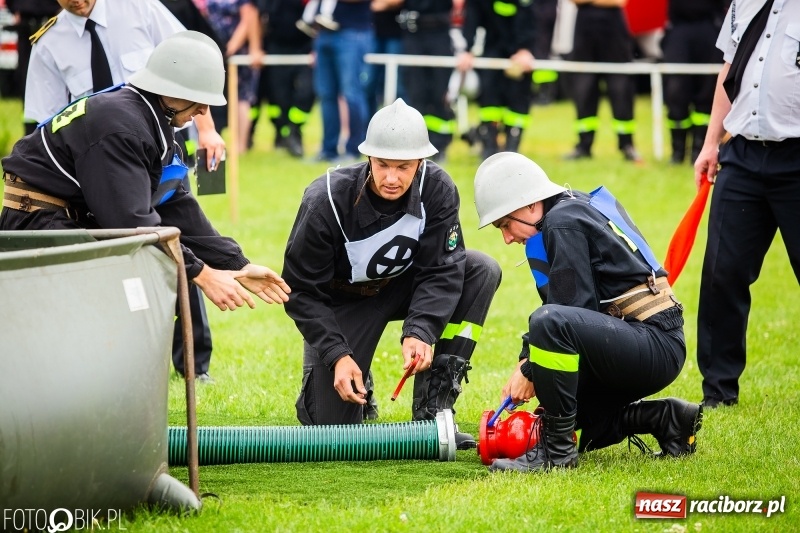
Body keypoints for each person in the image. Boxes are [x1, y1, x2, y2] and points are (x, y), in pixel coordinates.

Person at [1, 32, 291, 343]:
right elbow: (130, 223)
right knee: (84, 326)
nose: (204, 111)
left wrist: (237, 264)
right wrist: (201, 273)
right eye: (200, 99)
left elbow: (175, 204)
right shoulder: (121, 128)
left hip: (66, 219)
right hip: (40, 222)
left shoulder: (150, 120)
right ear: (173, 91)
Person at [23, 0, 227, 382]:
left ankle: (194, 364)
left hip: (158, 143)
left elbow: (193, 66)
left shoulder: (140, 8)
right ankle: (126, 365)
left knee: (176, 235)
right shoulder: (48, 43)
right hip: (99, 166)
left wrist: (207, 129)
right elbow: (45, 118)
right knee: (133, 255)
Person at [282, 98, 502, 448]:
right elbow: (301, 291)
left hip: (403, 287)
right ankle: (356, 368)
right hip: (343, 303)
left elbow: (441, 269)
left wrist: (420, 329)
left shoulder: (437, 188)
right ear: (368, 157)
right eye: (382, 164)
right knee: (330, 431)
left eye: (403, 167)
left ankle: (434, 412)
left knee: (480, 269)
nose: (391, 178)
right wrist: (337, 354)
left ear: (421, 162)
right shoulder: (325, 200)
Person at [473, 152, 701, 472]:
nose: (507, 238)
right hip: (650, 340)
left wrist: (529, 371)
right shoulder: (571, 207)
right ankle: (665, 418)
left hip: (652, 343)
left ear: (530, 204)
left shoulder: (562, 222)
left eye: (505, 224)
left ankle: (557, 455)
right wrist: (530, 362)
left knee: (548, 326)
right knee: (561, 414)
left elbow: (567, 312)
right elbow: (568, 308)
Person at [694, 0, 800, 408]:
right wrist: (711, 143)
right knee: (722, 273)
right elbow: (730, 71)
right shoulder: (744, 2)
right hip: (741, 155)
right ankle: (718, 391)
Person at [563, 0, 641, 162]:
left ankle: (627, 145)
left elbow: (619, 1)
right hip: (585, 30)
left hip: (614, 32)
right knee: (584, 90)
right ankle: (583, 146)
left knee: (621, 90)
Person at [457, 0, 536, 159]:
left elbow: (533, 16)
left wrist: (525, 49)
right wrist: (467, 49)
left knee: (518, 99)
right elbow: (472, 17)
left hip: (521, 52)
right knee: (489, 97)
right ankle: (489, 148)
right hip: (492, 48)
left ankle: (512, 150)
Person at [660, 0, 727, 164]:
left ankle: (700, 149)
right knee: (675, 93)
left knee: (707, 93)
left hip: (711, 28)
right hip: (679, 30)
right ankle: (677, 151)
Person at [311, 0, 373, 163]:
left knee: (352, 93)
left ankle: (354, 149)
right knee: (326, 95)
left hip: (352, 32)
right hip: (323, 33)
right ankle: (328, 149)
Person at [397, 0, 456, 162]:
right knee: (416, 94)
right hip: (413, 35)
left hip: (440, 33)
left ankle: (440, 145)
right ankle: (415, 143)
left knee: (440, 94)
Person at [205, 0, 264, 154]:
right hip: (215, 52)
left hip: (237, 54)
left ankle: (240, 146)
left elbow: (249, 17)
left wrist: (230, 48)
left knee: (241, 99)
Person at [5, 0, 60, 103]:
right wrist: (15, 10)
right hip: (26, 20)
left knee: (53, 65)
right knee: (26, 67)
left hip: (51, 19)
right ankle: (28, 104)